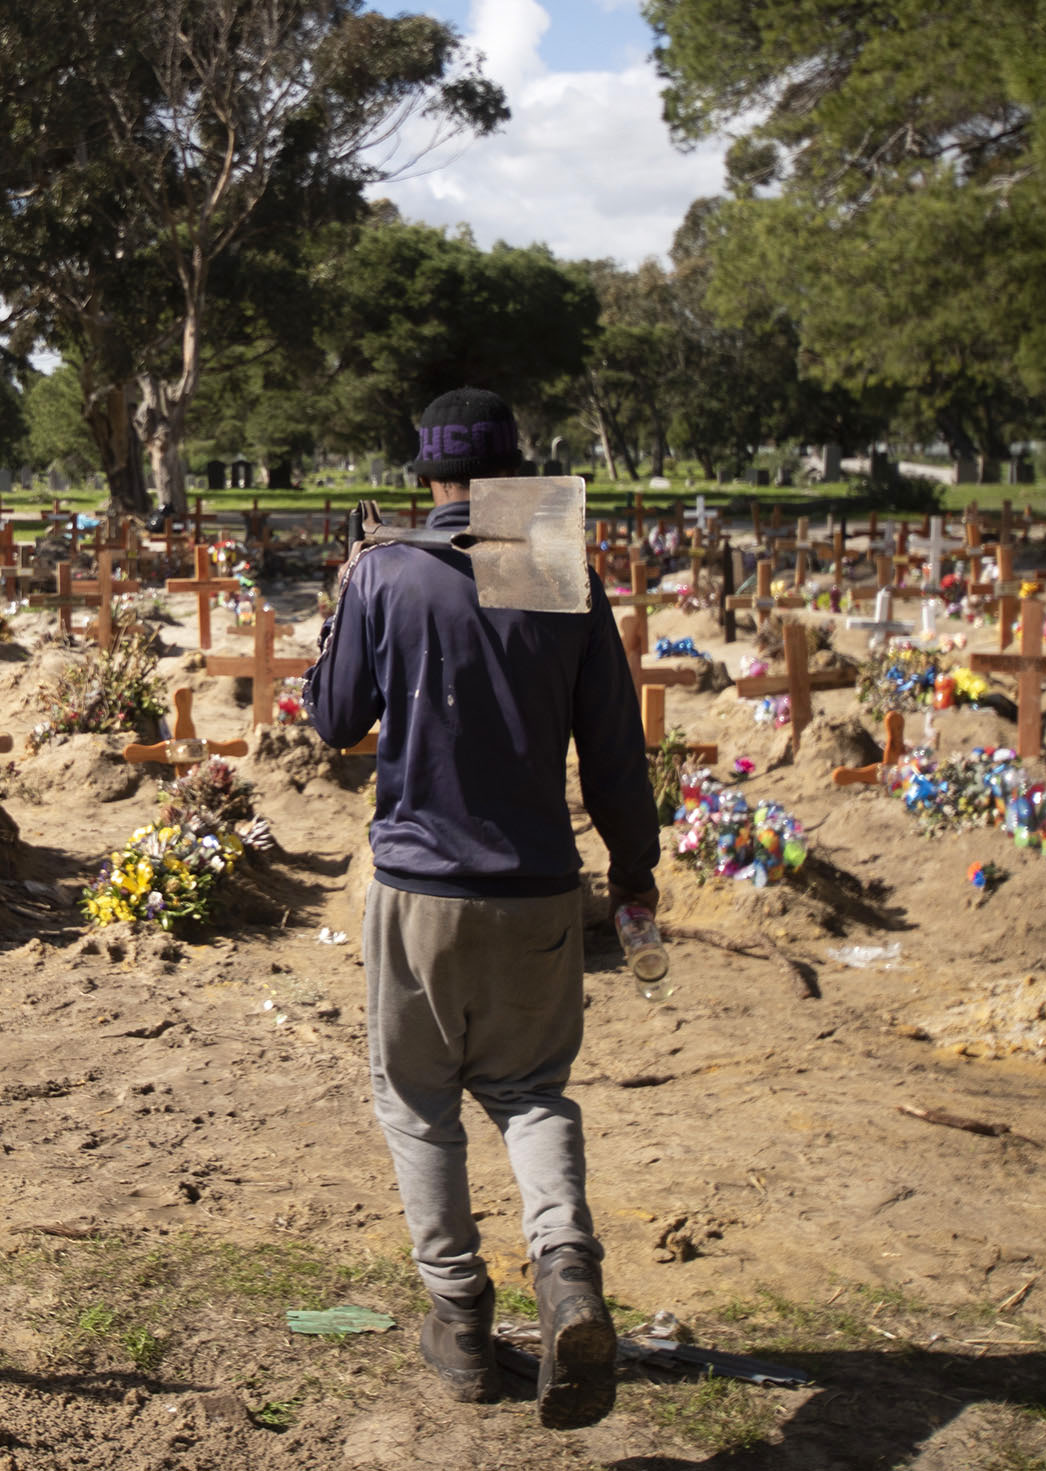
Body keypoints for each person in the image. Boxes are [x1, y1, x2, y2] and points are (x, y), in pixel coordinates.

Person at [304, 387, 660, 1428]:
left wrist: (343, 604)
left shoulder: (387, 570)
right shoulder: (550, 563)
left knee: (417, 1102)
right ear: (513, 472)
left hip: (419, 885)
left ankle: (459, 1320)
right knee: (531, 1089)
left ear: (424, 476)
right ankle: (567, 1273)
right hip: (539, 886)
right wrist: (630, 871)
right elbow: (609, 747)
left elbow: (333, 720)